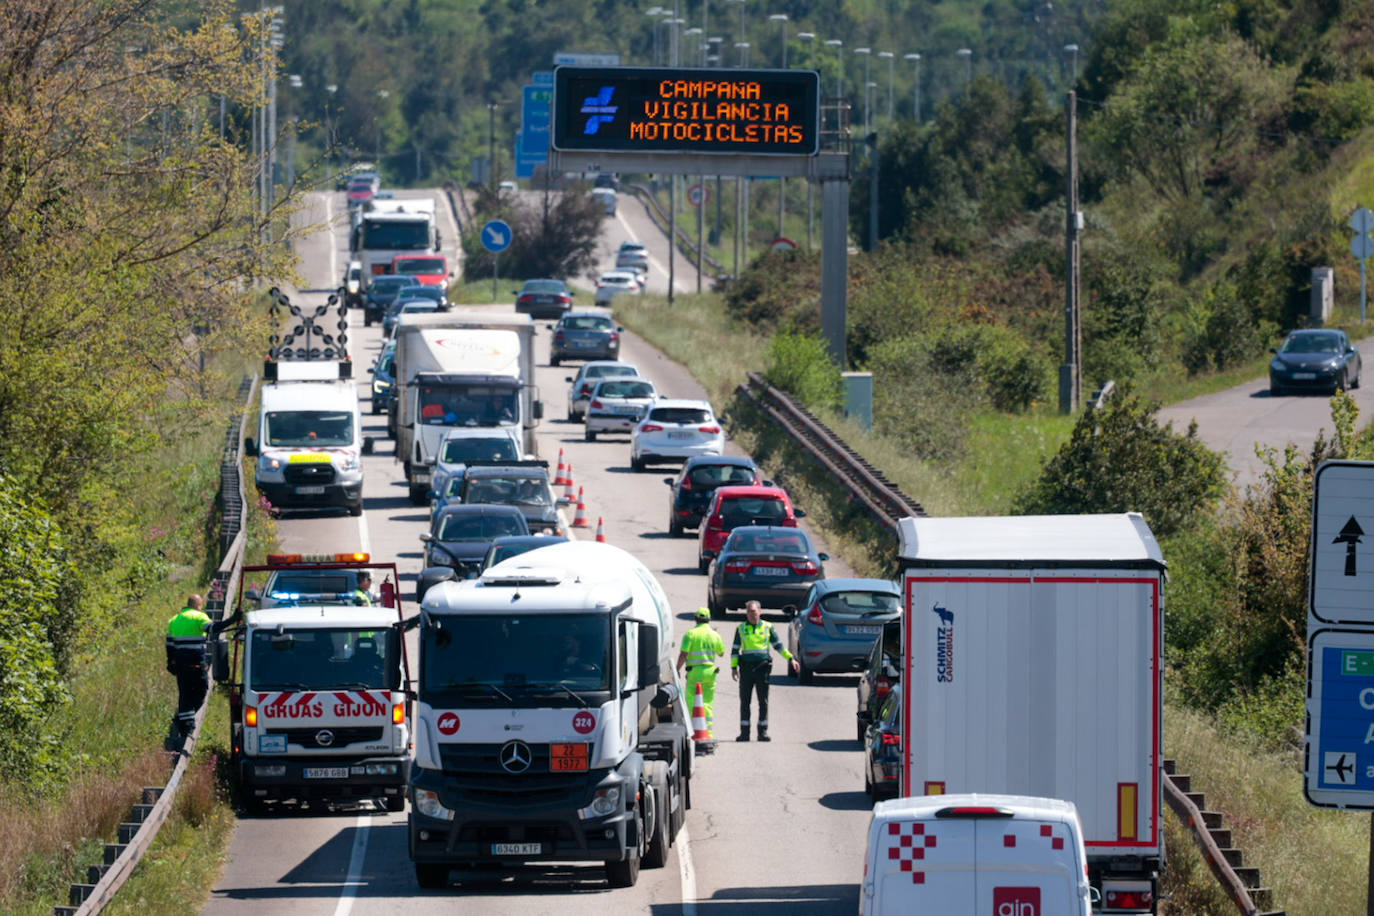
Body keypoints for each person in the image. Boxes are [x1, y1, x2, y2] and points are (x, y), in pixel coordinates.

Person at [165, 594, 240, 743]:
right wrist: (233, 619)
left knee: (185, 693)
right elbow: (215, 628)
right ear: (199, 605)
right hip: (196, 664)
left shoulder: (174, 620)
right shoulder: (199, 617)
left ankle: (185, 723)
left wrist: (170, 663)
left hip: (180, 665)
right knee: (201, 691)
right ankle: (187, 722)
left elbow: (169, 645)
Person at [730, 600, 798, 742]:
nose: (751, 615)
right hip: (746, 669)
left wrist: (791, 659)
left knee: (763, 702)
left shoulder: (768, 627)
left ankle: (762, 732)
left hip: (762, 668)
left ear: (760, 612)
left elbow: (778, 646)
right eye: (749, 612)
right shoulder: (741, 628)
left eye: (754, 612)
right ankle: (744, 733)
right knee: (745, 702)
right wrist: (733, 668)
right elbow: (735, 650)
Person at [677, 608, 725, 741]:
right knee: (708, 703)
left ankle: (692, 732)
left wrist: (677, 669)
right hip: (710, 673)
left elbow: (683, 654)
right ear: (709, 620)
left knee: (692, 702)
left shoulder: (690, 634)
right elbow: (721, 653)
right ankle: (707, 734)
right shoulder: (714, 635)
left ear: (696, 619)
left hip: (694, 673)